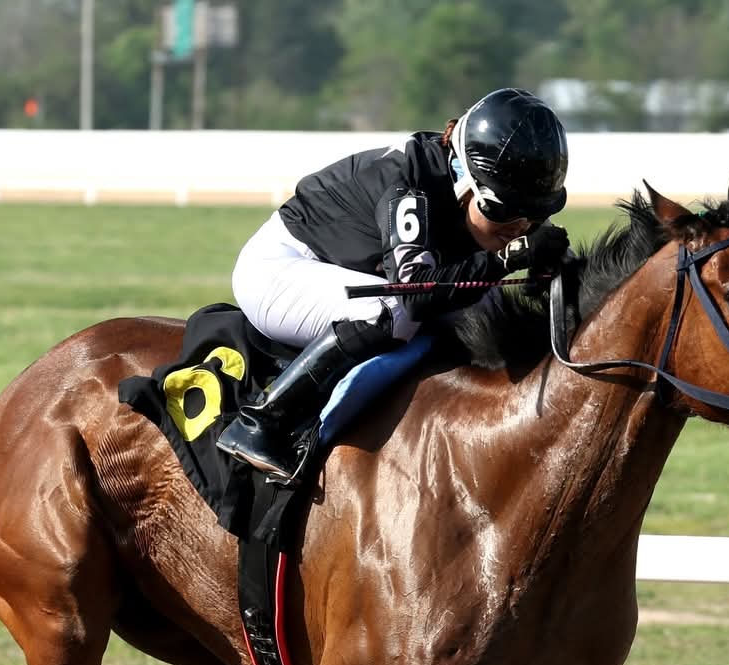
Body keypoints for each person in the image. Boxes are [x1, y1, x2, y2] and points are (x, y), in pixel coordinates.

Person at [217, 87, 571, 483]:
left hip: (356, 270)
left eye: (535, 216)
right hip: (280, 268)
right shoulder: (407, 187)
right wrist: (507, 260)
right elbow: (417, 294)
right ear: (464, 179)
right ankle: (260, 423)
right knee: (392, 313)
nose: (519, 228)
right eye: (503, 212)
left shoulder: (496, 191)